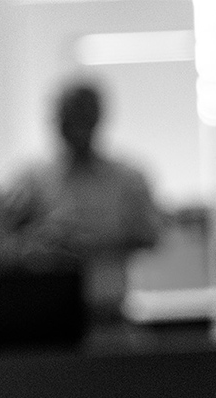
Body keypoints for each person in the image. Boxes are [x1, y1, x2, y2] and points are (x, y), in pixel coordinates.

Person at [20, 80, 162, 320]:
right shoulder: (33, 180)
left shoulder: (127, 179)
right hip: (44, 316)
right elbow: (13, 243)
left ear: (97, 119)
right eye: (68, 117)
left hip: (109, 310)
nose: (76, 126)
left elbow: (150, 236)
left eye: (83, 116)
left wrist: (96, 244)